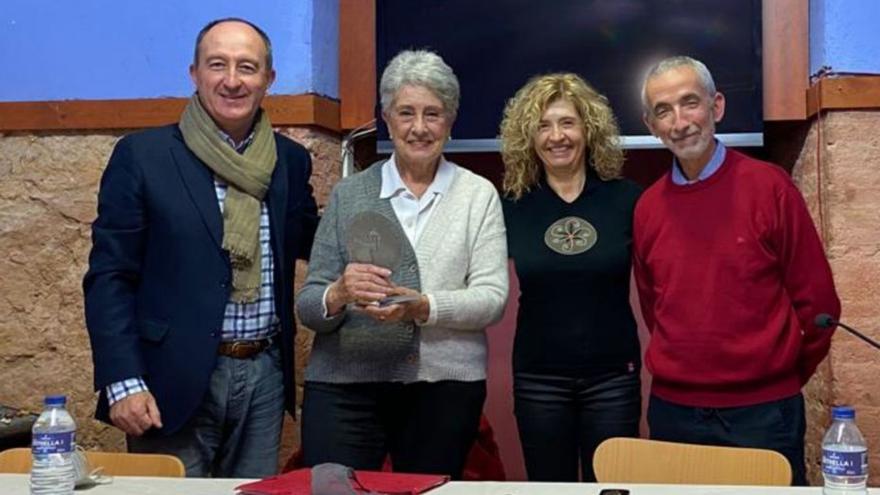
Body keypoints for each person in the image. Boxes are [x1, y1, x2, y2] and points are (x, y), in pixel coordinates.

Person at [83, 18, 319, 478]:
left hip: (263, 377)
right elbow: (110, 277)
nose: (232, 80)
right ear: (194, 73)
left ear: (268, 80)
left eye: (247, 67)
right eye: (218, 65)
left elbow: (310, 238)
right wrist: (122, 381)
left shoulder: (290, 161)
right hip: (168, 381)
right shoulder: (143, 156)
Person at [295, 49, 508, 479]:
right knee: (333, 491)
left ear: (450, 121)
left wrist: (423, 307)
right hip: (344, 386)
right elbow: (309, 304)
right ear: (387, 119)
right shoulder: (348, 194)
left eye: (433, 114)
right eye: (405, 112)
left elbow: (492, 299)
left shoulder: (477, 194)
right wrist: (337, 293)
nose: (419, 127)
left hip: (443, 388)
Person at [633, 56, 841, 485]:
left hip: (764, 414)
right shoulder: (647, 208)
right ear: (651, 125)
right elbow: (657, 307)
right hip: (674, 412)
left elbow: (819, 305)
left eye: (690, 103)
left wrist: (779, 376)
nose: (679, 122)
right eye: (663, 111)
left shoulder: (770, 188)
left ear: (717, 107)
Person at [498, 73, 642, 482]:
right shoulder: (511, 206)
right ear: (529, 137)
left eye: (567, 123)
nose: (556, 136)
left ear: (588, 129)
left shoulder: (626, 198)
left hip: (614, 379)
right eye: (543, 126)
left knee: (613, 489)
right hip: (538, 380)